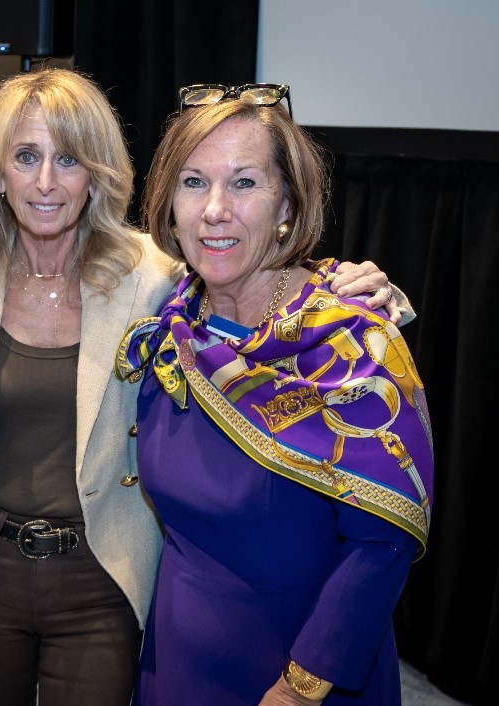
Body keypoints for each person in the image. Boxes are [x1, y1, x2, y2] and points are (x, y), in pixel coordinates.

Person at [0, 69, 402, 706]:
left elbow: (254, 268)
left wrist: (364, 288)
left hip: (106, 573)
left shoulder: (154, 278)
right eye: (25, 156)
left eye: (68, 158)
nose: (44, 182)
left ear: (97, 172)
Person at [116, 83, 434, 705]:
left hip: (309, 671)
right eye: (192, 181)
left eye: (244, 183)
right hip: (178, 661)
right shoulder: (171, 327)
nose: (213, 210)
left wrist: (299, 688)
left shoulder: (350, 339)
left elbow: (383, 542)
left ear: (287, 200)